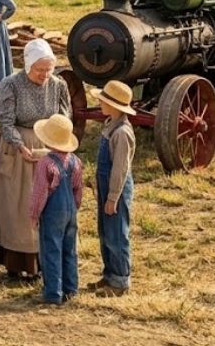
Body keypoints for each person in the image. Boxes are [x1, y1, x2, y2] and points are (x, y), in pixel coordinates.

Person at [0, 38, 70, 280]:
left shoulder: (58, 85)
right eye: (40, 70)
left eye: (49, 69)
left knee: (46, 206)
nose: (45, 75)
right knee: (17, 206)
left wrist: (59, 141)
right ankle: (14, 264)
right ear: (27, 66)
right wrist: (20, 145)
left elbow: (65, 115)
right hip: (18, 150)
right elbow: (5, 121)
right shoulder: (10, 84)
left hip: (48, 148)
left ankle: (42, 262)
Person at [28, 113, 83, 305]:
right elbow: (78, 188)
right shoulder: (75, 161)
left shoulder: (46, 163)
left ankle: (53, 293)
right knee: (70, 250)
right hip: (70, 211)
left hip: (53, 211)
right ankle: (71, 289)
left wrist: (34, 215)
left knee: (51, 250)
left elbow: (40, 192)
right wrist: (75, 207)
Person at [88, 80, 136, 297]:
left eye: (103, 100)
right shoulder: (110, 124)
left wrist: (113, 196)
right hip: (106, 186)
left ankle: (120, 280)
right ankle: (109, 274)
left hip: (116, 188)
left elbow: (120, 168)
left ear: (115, 106)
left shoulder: (122, 133)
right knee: (106, 231)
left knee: (117, 233)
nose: (99, 102)